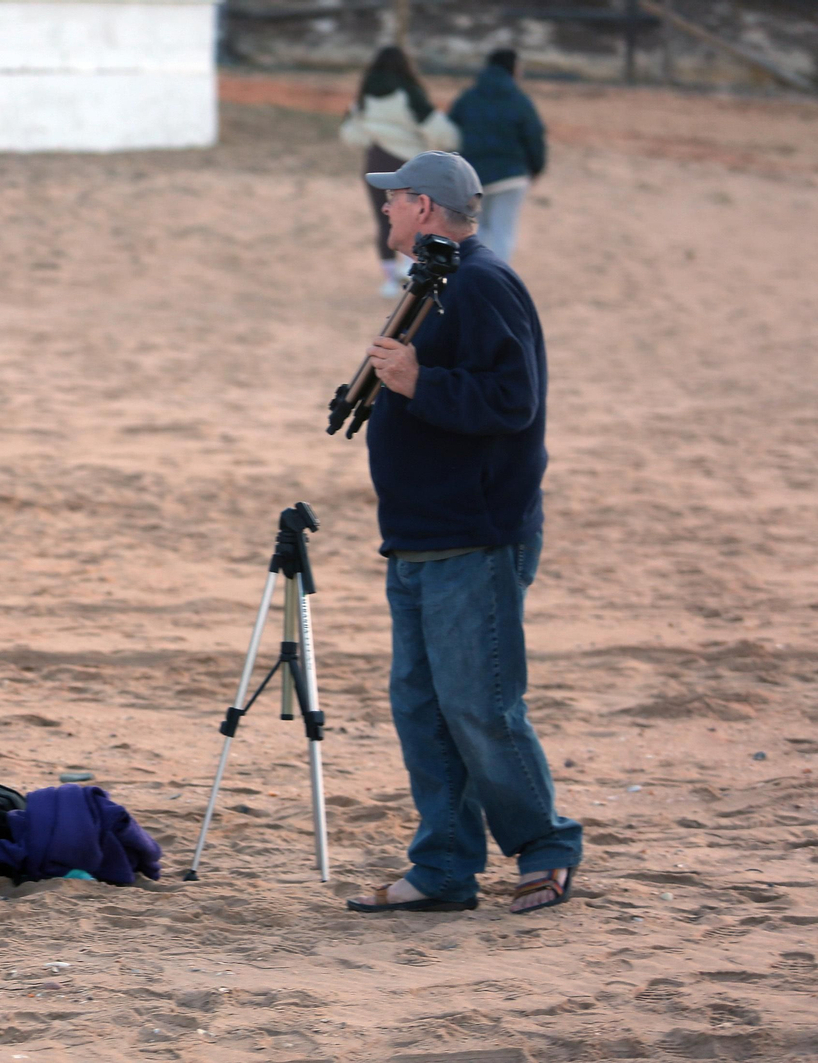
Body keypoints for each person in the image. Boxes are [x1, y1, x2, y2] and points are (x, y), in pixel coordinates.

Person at [344, 152, 581, 915]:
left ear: (423, 205)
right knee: (421, 706)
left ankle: (545, 849)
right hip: (417, 534)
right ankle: (445, 865)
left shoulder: (482, 283)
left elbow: (516, 400)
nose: (382, 211)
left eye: (392, 201)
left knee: (481, 704)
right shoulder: (435, 281)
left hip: (473, 536)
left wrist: (420, 382)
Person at [340, 46, 460, 297]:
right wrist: (448, 144)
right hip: (410, 166)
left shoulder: (364, 97)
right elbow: (438, 129)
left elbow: (351, 135)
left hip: (375, 163)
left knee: (384, 220)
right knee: (417, 219)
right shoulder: (409, 93)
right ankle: (410, 271)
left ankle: (388, 282)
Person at [447, 49, 547, 264]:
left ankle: (482, 272)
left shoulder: (468, 97)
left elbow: (450, 133)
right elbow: (534, 136)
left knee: (483, 228)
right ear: (512, 68)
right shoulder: (519, 99)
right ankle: (498, 278)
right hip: (512, 175)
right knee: (504, 231)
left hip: (474, 175)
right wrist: (537, 168)